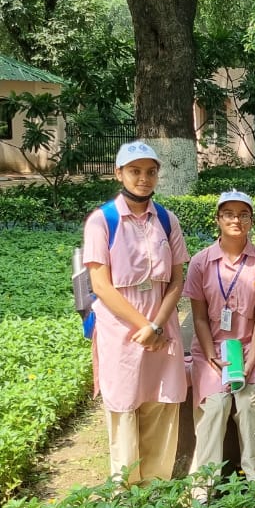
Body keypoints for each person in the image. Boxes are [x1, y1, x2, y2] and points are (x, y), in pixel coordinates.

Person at [82, 140, 188, 485]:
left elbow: (176, 279)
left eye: (150, 171)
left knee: (161, 400)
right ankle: (125, 489)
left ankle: (156, 483)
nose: (144, 178)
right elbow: (101, 285)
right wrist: (145, 326)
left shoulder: (167, 220)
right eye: (135, 171)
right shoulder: (102, 221)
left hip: (162, 320)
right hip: (121, 327)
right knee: (124, 403)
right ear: (119, 173)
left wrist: (157, 325)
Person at [183, 191, 255, 498]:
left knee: (249, 403)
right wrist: (210, 355)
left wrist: (251, 361)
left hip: (254, 348)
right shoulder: (201, 263)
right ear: (218, 219)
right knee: (216, 406)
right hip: (211, 350)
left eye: (243, 214)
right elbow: (200, 319)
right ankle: (202, 487)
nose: (236, 220)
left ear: (251, 220)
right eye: (229, 214)